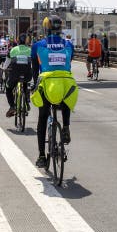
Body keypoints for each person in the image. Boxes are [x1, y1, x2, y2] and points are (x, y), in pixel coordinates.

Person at [31, 15, 78, 168]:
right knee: (65, 100)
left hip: (47, 83)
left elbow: (34, 68)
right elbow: (69, 62)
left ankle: (42, 156)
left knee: (43, 118)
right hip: (66, 82)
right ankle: (66, 127)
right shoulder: (68, 44)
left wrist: (34, 84)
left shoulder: (38, 45)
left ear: (46, 28)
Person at [5, 33, 33, 117]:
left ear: (17, 40)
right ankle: (26, 101)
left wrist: (4, 68)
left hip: (14, 74)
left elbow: (7, 62)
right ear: (26, 41)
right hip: (27, 74)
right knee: (25, 84)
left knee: (8, 88)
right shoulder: (30, 50)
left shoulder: (13, 50)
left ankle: (12, 106)